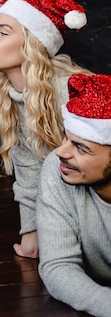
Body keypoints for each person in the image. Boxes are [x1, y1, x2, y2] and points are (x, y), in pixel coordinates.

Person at [0, 0, 91, 258]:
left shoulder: (68, 90)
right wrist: (31, 233)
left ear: (32, 43)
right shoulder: (12, 99)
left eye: (3, 33)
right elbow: (29, 173)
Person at [36, 73, 111, 316]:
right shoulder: (57, 169)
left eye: (81, 147)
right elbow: (58, 266)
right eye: (66, 137)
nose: (61, 152)